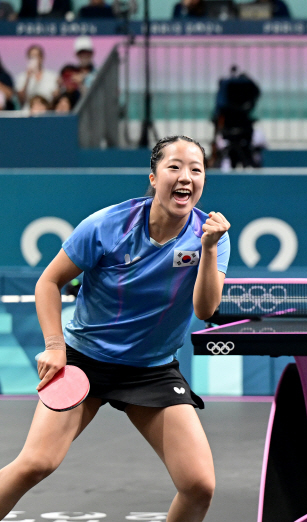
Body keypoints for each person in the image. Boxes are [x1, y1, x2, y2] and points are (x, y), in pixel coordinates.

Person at [0, 135, 231, 521]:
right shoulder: (108, 225)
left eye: (196, 169)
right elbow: (48, 282)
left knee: (199, 486)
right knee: (36, 462)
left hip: (151, 369)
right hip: (84, 360)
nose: (186, 176)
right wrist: (55, 345)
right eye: (174, 166)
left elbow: (205, 309)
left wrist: (209, 249)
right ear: (154, 177)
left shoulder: (210, 236)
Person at [15, 44, 59, 110]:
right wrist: (27, 79)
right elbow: (21, 100)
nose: (34, 59)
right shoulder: (22, 77)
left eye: (36, 56)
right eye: (31, 57)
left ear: (42, 58)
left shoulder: (52, 76)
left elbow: (56, 98)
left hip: (47, 112)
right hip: (28, 113)